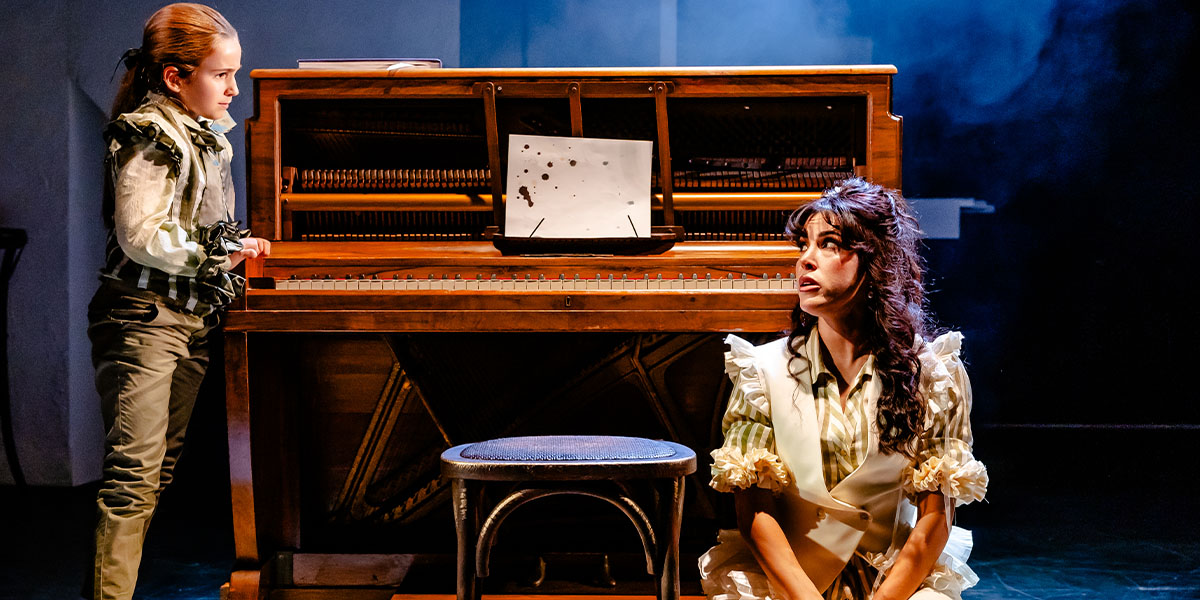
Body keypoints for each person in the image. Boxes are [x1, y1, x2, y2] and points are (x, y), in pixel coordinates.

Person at [698, 178, 988, 600]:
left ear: (876, 262)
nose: (805, 262)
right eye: (803, 246)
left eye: (828, 244)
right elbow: (754, 513)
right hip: (791, 582)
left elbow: (934, 522)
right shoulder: (762, 371)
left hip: (894, 581)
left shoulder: (932, 373)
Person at [86, 4, 269, 599]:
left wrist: (236, 245)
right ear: (175, 77)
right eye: (222, 75)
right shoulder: (150, 135)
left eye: (235, 75)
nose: (233, 88)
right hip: (144, 318)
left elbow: (201, 225)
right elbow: (142, 238)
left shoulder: (207, 138)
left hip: (188, 318)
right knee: (132, 478)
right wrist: (222, 257)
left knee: (158, 470)